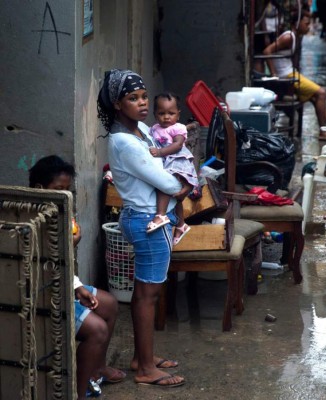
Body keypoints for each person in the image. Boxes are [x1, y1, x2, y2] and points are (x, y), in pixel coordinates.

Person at [97, 69, 185, 388]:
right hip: (148, 220)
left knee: (143, 292)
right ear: (118, 105)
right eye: (133, 99)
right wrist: (185, 181)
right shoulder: (126, 142)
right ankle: (146, 369)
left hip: (143, 217)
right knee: (148, 295)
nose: (143, 103)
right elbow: (168, 181)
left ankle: (141, 357)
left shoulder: (141, 130)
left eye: (144, 96)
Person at [29, 155, 125, 399]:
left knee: (110, 304)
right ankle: (78, 393)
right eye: (59, 190)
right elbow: (45, 268)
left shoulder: (62, 212)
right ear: (40, 189)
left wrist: (77, 286)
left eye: (68, 190)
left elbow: (64, 267)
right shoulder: (31, 220)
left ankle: (97, 370)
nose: (66, 195)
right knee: (97, 329)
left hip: (64, 286)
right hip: (45, 296)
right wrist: (68, 246)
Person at [263, 9, 326, 137]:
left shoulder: (295, 37)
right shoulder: (288, 37)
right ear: (296, 24)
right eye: (306, 23)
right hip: (287, 75)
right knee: (322, 93)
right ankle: (323, 130)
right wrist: (273, 74)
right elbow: (267, 51)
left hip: (291, 73)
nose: (308, 27)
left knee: (316, 97)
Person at [146, 92, 199, 246]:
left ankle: (161, 214)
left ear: (178, 114)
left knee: (164, 184)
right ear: (155, 114)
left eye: (171, 113)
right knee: (176, 199)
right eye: (162, 113)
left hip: (177, 161)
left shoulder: (178, 128)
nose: (166, 117)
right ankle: (181, 225)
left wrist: (160, 152)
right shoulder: (154, 129)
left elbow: (176, 146)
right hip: (165, 160)